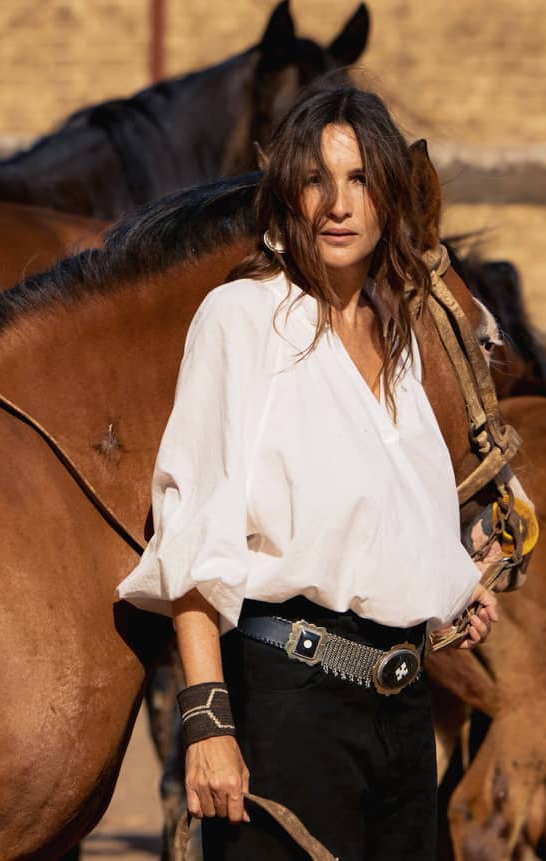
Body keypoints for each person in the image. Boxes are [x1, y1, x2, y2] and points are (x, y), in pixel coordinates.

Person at [117, 86, 498, 860]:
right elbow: (194, 529)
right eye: (318, 179)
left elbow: (389, 519)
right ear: (287, 191)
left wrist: (452, 589)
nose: (338, 203)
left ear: (391, 194)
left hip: (402, 713)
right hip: (288, 704)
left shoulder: (399, 338)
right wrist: (207, 722)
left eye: (361, 179)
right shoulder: (242, 319)